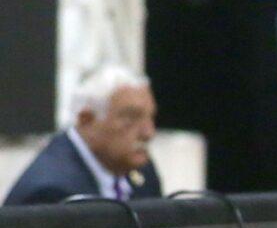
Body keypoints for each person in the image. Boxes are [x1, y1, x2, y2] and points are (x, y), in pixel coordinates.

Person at [4, 65, 161, 205]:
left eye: (151, 117)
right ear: (86, 120)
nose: (148, 133)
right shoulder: (52, 193)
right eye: (131, 118)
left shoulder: (140, 171)